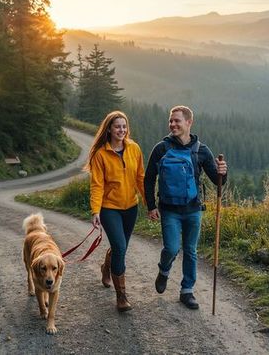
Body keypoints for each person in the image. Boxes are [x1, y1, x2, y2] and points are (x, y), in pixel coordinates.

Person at [144, 105, 227, 310]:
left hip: (192, 210)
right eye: (170, 121)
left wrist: (223, 172)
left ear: (189, 122)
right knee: (171, 248)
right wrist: (151, 206)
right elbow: (148, 179)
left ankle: (187, 291)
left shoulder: (201, 150)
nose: (172, 124)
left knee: (190, 251)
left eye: (177, 121)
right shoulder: (161, 148)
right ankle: (164, 270)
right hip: (169, 210)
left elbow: (218, 182)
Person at [87, 111, 145, 312]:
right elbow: (97, 186)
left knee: (121, 247)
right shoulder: (100, 154)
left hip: (131, 207)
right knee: (120, 247)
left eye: (124, 126)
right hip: (109, 208)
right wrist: (95, 211)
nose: (122, 130)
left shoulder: (134, 148)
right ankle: (122, 296)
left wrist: (149, 203)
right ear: (109, 129)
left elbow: (140, 177)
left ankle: (106, 267)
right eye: (117, 126)